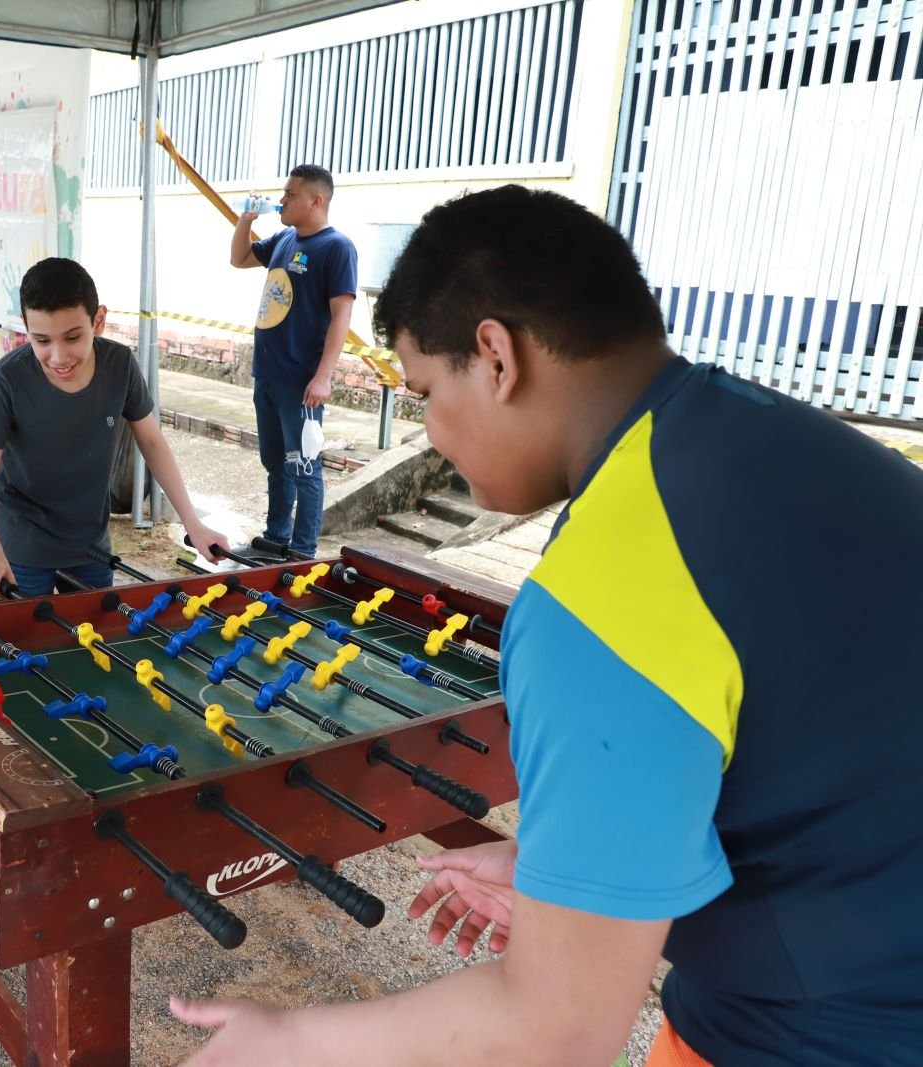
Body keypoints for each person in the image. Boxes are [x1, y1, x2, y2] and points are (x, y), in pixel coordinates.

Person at [170, 185, 923, 1066]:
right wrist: (581, 886)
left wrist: (289, 1039)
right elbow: (835, 767)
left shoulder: (603, 596)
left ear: (495, 356)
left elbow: (556, 1030)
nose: (433, 431)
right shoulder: (777, 434)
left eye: (423, 392)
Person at [0, 258, 226, 597]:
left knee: (94, 645)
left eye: (73, 337)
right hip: (21, 545)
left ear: (98, 321)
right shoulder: (5, 380)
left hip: (90, 544)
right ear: (25, 327)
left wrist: (193, 523)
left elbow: (152, 442)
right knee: (31, 646)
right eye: (42, 340)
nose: (59, 357)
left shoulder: (120, 365)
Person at [229, 164, 357, 559]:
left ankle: (302, 551)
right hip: (268, 374)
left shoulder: (336, 248)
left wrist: (323, 377)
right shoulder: (285, 239)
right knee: (275, 461)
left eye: (290, 195)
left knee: (303, 467)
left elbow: (342, 317)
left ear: (316, 201)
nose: (281, 201)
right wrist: (245, 220)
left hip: (301, 383)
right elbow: (240, 258)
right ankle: (276, 536)